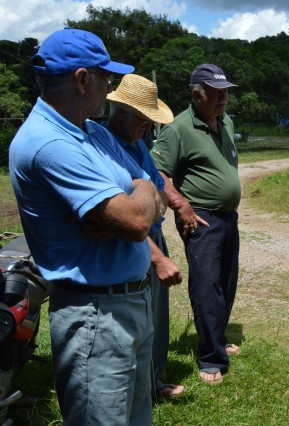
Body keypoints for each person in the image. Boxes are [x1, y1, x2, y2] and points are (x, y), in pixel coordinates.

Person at [9, 27, 161, 425]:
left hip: (130, 301)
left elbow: (150, 195)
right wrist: (135, 203)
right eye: (106, 75)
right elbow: (137, 220)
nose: (109, 87)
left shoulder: (91, 132)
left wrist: (138, 196)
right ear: (81, 79)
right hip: (96, 314)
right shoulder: (48, 143)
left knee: (136, 417)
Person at [151, 63, 241, 385]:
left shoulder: (225, 121)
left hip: (228, 216)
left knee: (227, 281)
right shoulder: (178, 128)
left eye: (226, 93)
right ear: (197, 94)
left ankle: (218, 338)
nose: (224, 99)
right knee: (206, 285)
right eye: (217, 94)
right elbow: (158, 173)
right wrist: (182, 206)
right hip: (200, 217)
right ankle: (211, 358)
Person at [105, 73, 186, 398]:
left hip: (152, 234)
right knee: (134, 317)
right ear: (122, 112)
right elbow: (130, 215)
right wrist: (158, 256)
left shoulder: (138, 144)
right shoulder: (107, 148)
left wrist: (156, 202)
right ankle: (136, 386)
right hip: (136, 242)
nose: (148, 128)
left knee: (157, 314)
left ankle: (153, 380)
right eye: (143, 120)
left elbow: (160, 192)